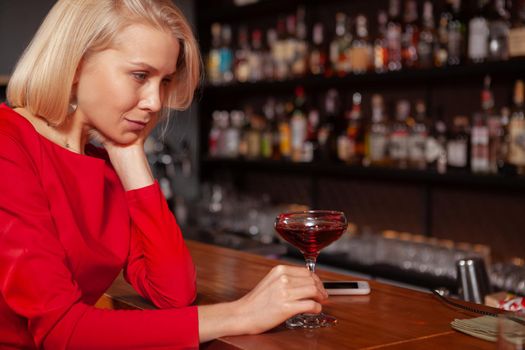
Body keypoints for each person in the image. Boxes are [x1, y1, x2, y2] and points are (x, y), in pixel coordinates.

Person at [0, 0, 328, 348]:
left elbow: (173, 292)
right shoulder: (8, 145)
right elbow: (62, 331)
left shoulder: (102, 162)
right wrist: (241, 313)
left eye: (165, 80)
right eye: (140, 75)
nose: (156, 102)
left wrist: (129, 155)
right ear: (76, 62)